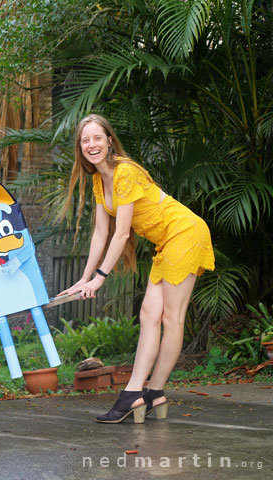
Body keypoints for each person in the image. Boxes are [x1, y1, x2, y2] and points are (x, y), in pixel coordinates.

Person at [58, 114, 215, 424]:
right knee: (148, 315)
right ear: (80, 147)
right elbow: (101, 233)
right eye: (85, 140)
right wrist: (83, 279)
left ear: (109, 141)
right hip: (167, 243)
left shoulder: (124, 172)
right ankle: (147, 395)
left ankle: (146, 391)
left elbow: (122, 233)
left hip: (184, 233)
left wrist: (100, 278)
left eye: (97, 138)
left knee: (171, 318)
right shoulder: (98, 180)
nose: (92, 145)